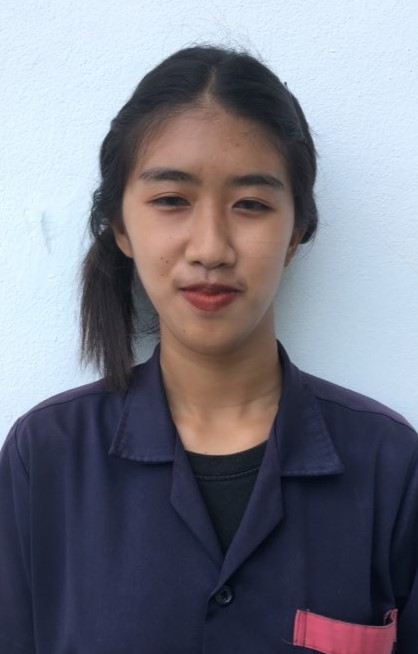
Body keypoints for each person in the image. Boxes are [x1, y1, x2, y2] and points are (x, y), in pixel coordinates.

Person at [0, 45, 417, 654]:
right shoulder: (46, 458)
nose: (211, 247)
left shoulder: (390, 466)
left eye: (251, 204)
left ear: (296, 232)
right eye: (172, 200)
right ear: (121, 227)